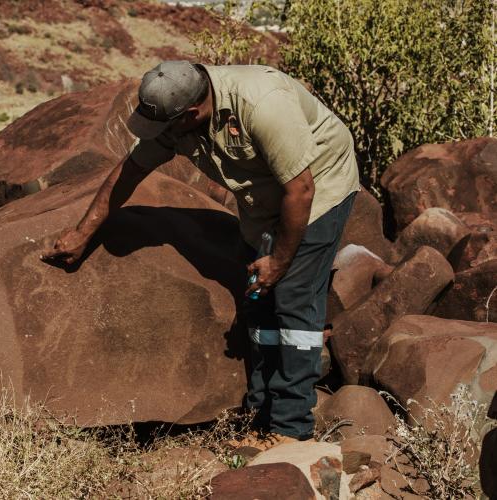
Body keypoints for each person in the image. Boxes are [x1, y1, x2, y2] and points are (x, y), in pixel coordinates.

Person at [42, 61, 359, 448]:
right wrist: (82, 233)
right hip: (265, 197)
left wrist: (278, 261)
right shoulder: (179, 115)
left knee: (293, 299)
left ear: (191, 114)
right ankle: (260, 417)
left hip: (317, 184)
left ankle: (290, 431)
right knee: (259, 299)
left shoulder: (262, 104)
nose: (159, 138)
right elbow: (129, 171)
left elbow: (302, 189)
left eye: (165, 129)